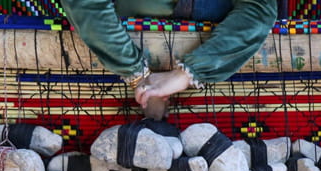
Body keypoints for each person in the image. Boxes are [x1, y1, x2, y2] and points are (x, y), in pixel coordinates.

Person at [59, 0, 278, 111]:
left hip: (224, 88)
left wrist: (186, 75)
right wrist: (135, 72)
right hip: (109, 75)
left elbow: (259, 8)